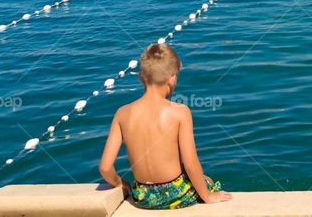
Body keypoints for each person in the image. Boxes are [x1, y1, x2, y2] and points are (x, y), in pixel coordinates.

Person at [99, 44, 231, 209]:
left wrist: (121, 184)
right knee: (208, 181)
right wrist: (208, 196)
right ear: (172, 78)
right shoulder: (180, 112)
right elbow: (190, 163)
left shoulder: (122, 113)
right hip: (176, 195)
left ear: (141, 77)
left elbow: (105, 167)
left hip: (143, 197)